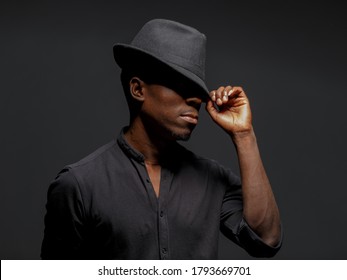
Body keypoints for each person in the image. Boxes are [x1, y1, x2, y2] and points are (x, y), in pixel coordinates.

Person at [41, 18, 282, 260]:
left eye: (198, 92)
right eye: (181, 85)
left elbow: (265, 240)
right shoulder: (79, 185)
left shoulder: (213, 180)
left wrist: (243, 134)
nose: (196, 101)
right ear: (138, 90)